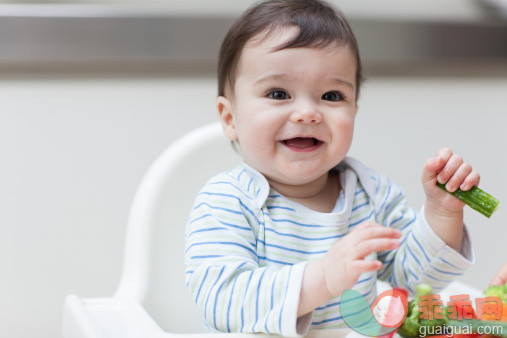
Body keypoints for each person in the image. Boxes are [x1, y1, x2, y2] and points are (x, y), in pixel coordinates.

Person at [184, 0, 478, 336]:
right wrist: (322, 278)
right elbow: (223, 301)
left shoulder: (372, 195)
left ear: (354, 109)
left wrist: (442, 216)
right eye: (278, 93)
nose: (308, 112)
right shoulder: (226, 202)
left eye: (331, 95)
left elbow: (416, 281)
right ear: (229, 118)